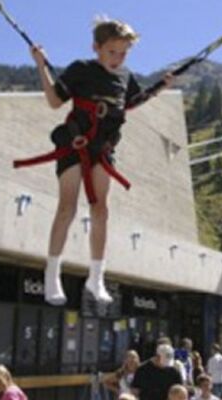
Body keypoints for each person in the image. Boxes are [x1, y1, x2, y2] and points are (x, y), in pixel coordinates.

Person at [29, 18, 173, 306]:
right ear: (96, 47)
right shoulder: (81, 69)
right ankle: (52, 274)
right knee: (67, 206)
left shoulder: (125, 76)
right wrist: (41, 65)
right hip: (75, 142)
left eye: (123, 53)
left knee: (101, 210)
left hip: (103, 149)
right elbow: (55, 101)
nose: (118, 59)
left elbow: (132, 101)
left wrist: (160, 86)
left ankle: (96, 277)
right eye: (112, 52)